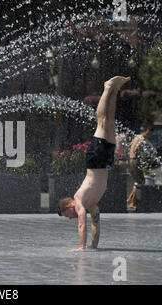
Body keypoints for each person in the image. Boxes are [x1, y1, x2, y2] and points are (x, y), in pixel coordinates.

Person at [57, 76, 131, 252]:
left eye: (67, 216)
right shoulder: (92, 204)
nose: (70, 218)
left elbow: (82, 223)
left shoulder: (79, 201)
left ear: (68, 207)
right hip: (103, 164)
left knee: (103, 122)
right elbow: (96, 225)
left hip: (96, 160)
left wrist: (81, 247)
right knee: (110, 123)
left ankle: (107, 88)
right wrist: (93, 245)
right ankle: (115, 90)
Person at [126, 126, 153, 211]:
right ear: (144, 131)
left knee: (138, 182)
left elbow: (129, 146)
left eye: (150, 134)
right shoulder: (142, 139)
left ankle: (130, 199)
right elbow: (137, 147)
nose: (149, 135)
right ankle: (131, 202)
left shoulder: (136, 136)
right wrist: (138, 154)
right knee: (141, 182)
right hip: (135, 161)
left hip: (130, 160)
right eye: (148, 133)